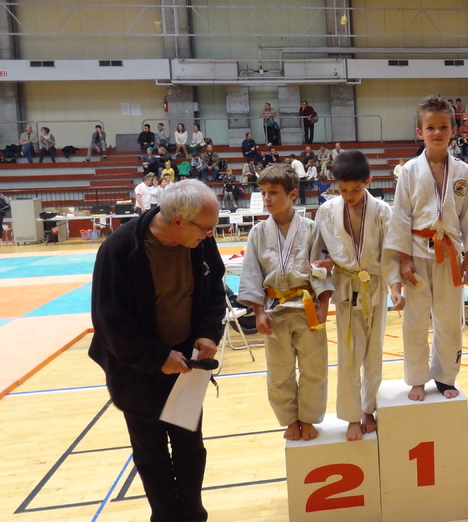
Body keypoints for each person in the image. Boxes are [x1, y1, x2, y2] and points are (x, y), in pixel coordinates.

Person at [89, 179, 224, 522]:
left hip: (186, 365)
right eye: (206, 228)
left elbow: (214, 291)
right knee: (150, 453)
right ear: (178, 221)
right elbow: (109, 321)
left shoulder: (201, 242)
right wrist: (157, 357)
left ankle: (192, 516)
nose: (210, 234)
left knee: (190, 446)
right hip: (135, 367)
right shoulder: (120, 249)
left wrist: (209, 333)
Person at [383, 95, 468, 401]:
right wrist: (403, 260)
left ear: (454, 130)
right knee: (415, 320)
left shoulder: (464, 172)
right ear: (420, 132)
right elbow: (400, 216)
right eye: (430, 127)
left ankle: (444, 376)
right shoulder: (409, 171)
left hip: (451, 254)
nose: (437, 133)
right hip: (417, 253)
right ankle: (417, 378)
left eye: (443, 127)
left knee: (450, 320)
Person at [239, 164, 333, 440]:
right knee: (279, 372)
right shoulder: (258, 232)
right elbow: (252, 273)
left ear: (292, 194)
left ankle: (308, 418)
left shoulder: (312, 228)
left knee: (314, 368)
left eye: (273, 192)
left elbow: (321, 270)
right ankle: (290, 420)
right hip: (274, 311)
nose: (267, 198)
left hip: (308, 308)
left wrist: (324, 304)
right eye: (263, 193)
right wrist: (258, 312)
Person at [312, 151, 402, 440]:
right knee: (349, 353)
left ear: (368, 182)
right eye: (342, 190)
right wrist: (324, 273)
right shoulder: (326, 211)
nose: (349, 196)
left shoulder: (383, 211)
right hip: (345, 286)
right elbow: (318, 253)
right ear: (334, 184)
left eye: (356, 189)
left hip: (375, 285)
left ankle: (368, 409)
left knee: (374, 352)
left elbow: (391, 254)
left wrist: (395, 287)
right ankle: (352, 415)